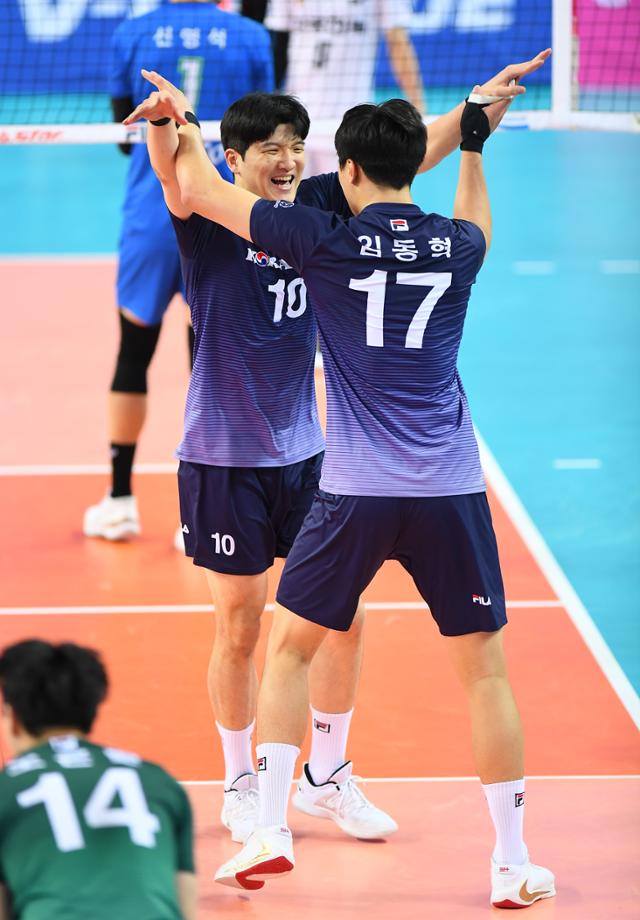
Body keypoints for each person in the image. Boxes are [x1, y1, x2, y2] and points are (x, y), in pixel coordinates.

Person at [124, 48, 554, 907]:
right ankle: (249, 787)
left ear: (336, 166)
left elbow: (399, 158)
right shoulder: (437, 242)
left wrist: (468, 114)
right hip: (249, 456)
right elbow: (186, 184)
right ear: (240, 158)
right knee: (249, 627)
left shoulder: (319, 223)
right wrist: (173, 127)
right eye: (272, 149)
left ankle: (310, 789)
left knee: (318, 632)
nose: (289, 160)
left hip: (326, 465)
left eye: (300, 146)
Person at [84, 0, 274, 542]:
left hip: (151, 218)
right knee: (210, 368)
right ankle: (206, 511)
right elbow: (262, 132)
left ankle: (119, 501)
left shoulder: (133, 32)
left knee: (132, 353)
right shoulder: (250, 36)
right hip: (219, 217)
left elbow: (125, 135)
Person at [0, 640, 196, 920]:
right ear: (91, 711)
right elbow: (185, 909)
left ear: (14, 719)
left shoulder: (7, 789)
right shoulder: (159, 782)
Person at [264, 0, 425, 175]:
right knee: (291, 192)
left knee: (344, 192)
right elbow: (277, 46)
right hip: (295, 120)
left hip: (352, 125)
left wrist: (419, 107)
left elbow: (398, 44)